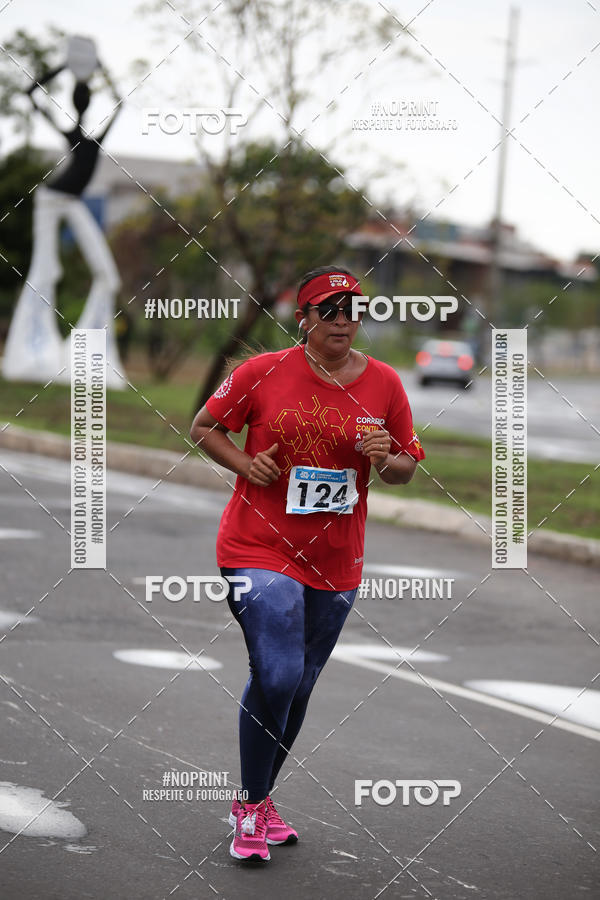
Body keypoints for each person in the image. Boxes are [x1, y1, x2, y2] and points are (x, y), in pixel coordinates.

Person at [189, 265, 425, 863]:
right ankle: (248, 809)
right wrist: (246, 465)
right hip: (257, 545)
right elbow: (205, 427)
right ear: (306, 318)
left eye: (353, 310)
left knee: (300, 685)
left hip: (336, 559)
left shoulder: (386, 384)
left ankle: (259, 800)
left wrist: (386, 456)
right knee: (277, 674)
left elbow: (405, 467)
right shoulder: (261, 372)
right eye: (331, 310)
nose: (344, 320)